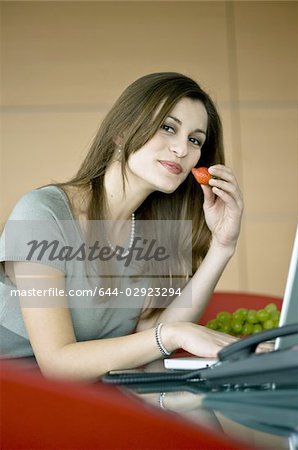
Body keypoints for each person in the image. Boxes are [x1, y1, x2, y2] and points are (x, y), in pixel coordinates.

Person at [0, 72, 243, 381]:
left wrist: (223, 247)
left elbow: (149, 335)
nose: (182, 150)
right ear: (122, 131)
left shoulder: (150, 231)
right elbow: (57, 364)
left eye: (195, 140)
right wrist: (172, 335)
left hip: (89, 403)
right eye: (168, 128)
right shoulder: (42, 214)